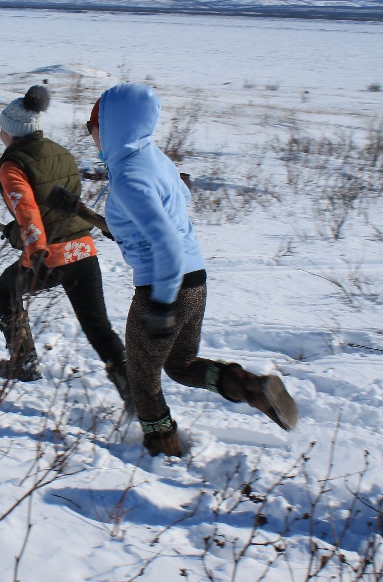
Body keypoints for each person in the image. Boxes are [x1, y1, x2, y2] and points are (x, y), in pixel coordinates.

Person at [88, 83, 298, 456]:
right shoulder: (154, 158)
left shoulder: (129, 177)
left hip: (163, 286)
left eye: (94, 126)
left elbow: (164, 242)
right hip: (195, 280)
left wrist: (163, 304)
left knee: (142, 374)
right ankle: (251, 387)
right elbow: (180, 198)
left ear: (111, 125)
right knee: (180, 365)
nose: (91, 136)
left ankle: (162, 447)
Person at [0, 85, 129, 402]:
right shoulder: (61, 153)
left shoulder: (13, 165)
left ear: (12, 131)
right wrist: (21, 233)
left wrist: (36, 248)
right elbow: (58, 207)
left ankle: (23, 362)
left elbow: (28, 210)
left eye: (2, 127)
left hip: (49, 256)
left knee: (6, 288)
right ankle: (134, 394)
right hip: (83, 250)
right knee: (99, 328)